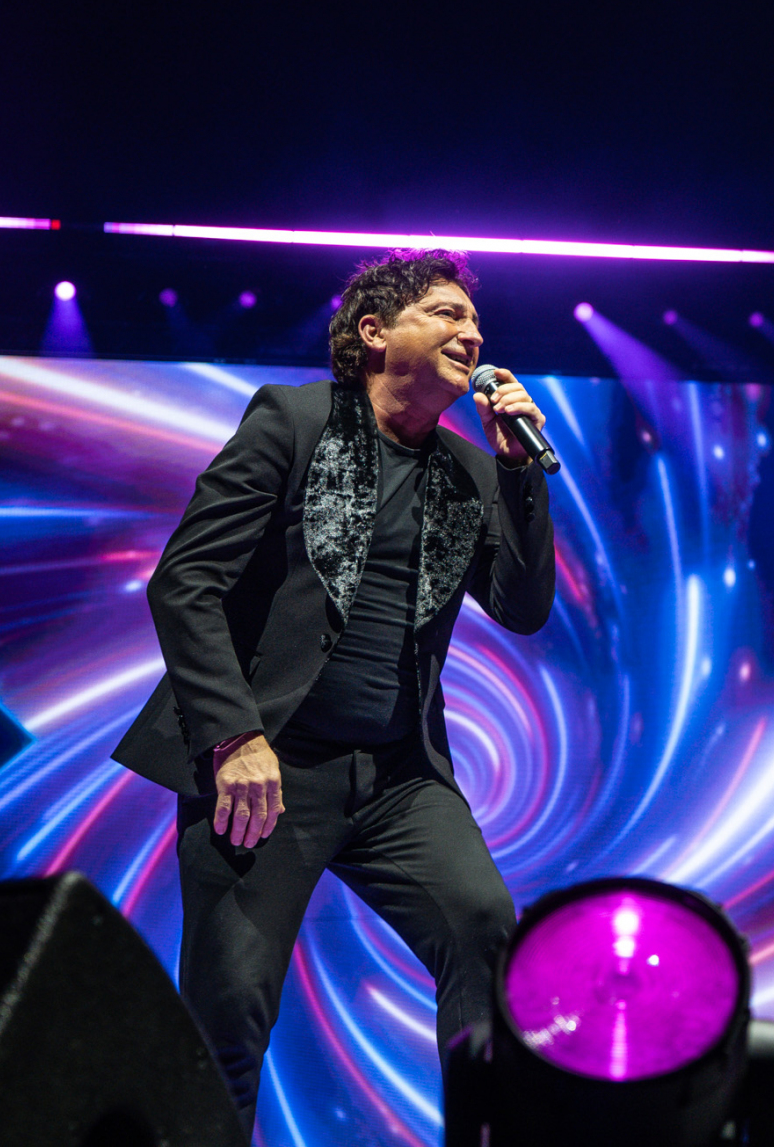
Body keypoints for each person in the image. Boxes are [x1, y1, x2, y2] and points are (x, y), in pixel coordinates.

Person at [112, 248, 556, 1131]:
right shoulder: (294, 421)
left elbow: (522, 607)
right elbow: (185, 583)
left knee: (485, 931)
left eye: (475, 321)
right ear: (375, 332)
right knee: (230, 1010)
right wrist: (234, 736)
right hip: (269, 767)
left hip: (399, 775)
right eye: (446, 313)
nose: (471, 334)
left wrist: (517, 472)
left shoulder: (470, 471)